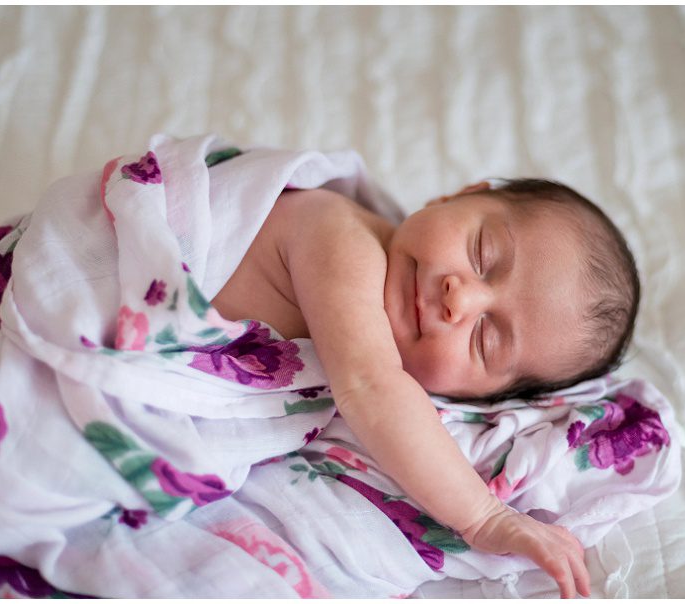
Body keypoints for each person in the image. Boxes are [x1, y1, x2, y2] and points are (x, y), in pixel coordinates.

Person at [212, 177, 640, 599]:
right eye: (482, 255)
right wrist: (486, 518)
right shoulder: (342, 236)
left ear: (472, 397)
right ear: (459, 195)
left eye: (484, 339)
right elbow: (372, 387)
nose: (461, 300)